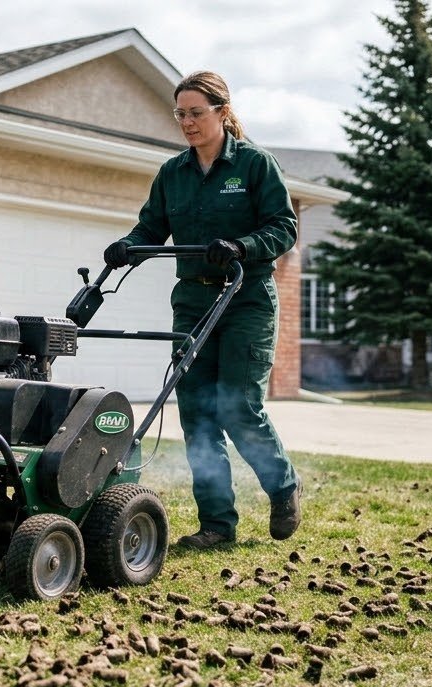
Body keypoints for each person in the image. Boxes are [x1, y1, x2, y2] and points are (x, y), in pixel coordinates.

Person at [104, 70, 301, 548]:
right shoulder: (173, 173)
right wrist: (127, 247)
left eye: (196, 112)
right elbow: (151, 228)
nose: (187, 122)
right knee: (196, 411)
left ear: (222, 112)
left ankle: (283, 486)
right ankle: (216, 524)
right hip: (193, 301)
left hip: (245, 298)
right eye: (180, 114)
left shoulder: (255, 165)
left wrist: (241, 245)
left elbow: (284, 227)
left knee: (237, 406)